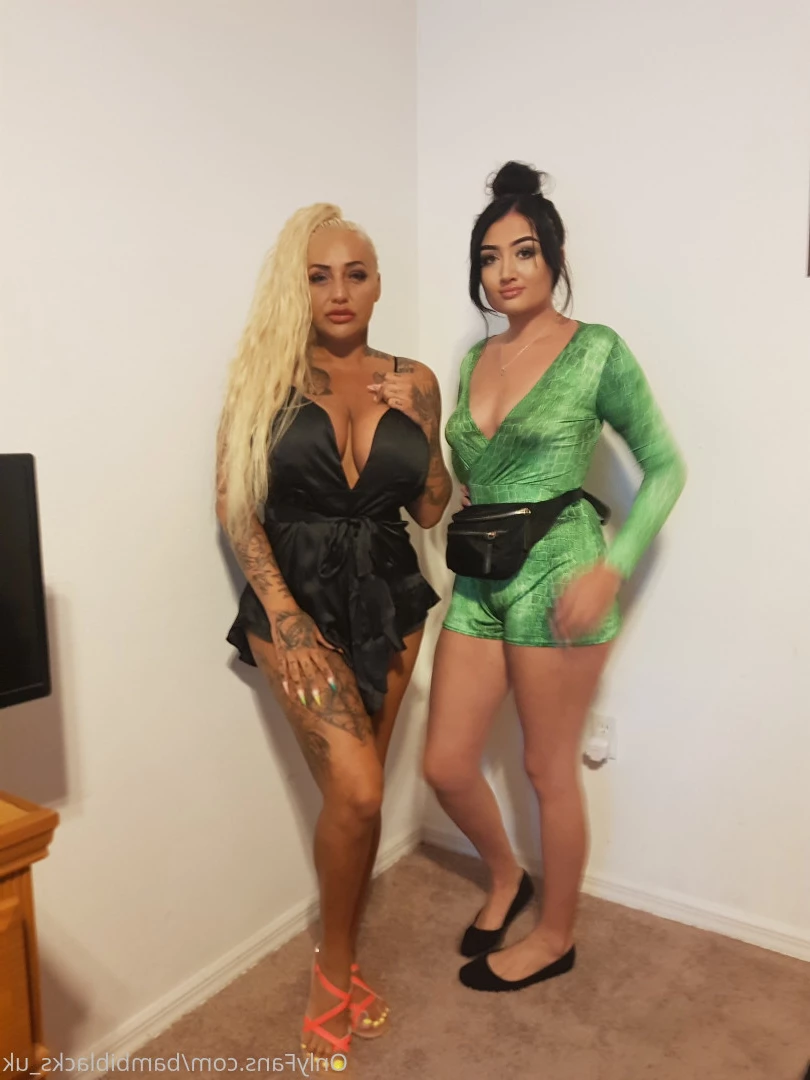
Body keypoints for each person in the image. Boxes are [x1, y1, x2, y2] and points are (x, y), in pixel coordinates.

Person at [423, 161, 686, 992]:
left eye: (523, 252)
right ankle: (508, 876)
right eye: (489, 257)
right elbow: (476, 467)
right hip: (481, 577)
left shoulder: (596, 350)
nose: (505, 271)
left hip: (560, 572)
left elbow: (667, 468)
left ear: (553, 256)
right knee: (446, 764)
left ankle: (556, 937)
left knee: (546, 768)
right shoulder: (475, 360)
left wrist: (614, 568)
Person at [216, 203, 452, 1062]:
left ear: (379, 284)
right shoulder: (266, 379)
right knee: (354, 792)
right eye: (320, 276)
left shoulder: (415, 377)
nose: (339, 291)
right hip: (298, 603)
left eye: (356, 274)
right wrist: (284, 616)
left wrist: (425, 430)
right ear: (300, 286)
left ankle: (341, 960)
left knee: (365, 798)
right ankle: (333, 971)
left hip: (390, 597)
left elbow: (431, 507)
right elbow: (235, 507)